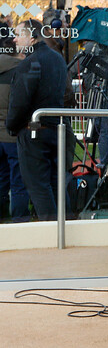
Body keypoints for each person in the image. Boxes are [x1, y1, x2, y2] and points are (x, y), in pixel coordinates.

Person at [6, 19, 74, 221]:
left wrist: (12, 127)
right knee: (56, 183)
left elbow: (19, 102)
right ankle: (66, 229)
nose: (14, 38)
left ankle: (54, 234)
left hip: (33, 131)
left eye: (19, 34)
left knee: (39, 187)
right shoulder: (57, 59)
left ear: (32, 37)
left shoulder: (29, 63)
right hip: (56, 130)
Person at [0, 23, 30, 222]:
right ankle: (20, 221)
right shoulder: (20, 72)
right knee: (19, 182)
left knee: (1, 180)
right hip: (13, 135)